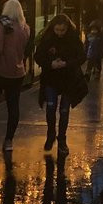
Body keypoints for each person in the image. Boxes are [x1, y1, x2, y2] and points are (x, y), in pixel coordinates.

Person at [34, 14, 85, 154]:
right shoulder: (47, 39)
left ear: (67, 28)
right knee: (51, 107)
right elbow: (38, 56)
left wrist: (66, 64)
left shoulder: (73, 39)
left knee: (64, 110)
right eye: (57, 30)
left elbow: (81, 56)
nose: (60, 33)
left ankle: (61, 138)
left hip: (68, 78)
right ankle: (51, 133)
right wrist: (50, 64)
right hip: (52, 78)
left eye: (62, 30)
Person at [0, 0, 31, 151]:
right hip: (18, 71)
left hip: (2, 69)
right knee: (14, 106)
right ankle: (9, 140)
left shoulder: (3, 26)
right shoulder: (25, 28)